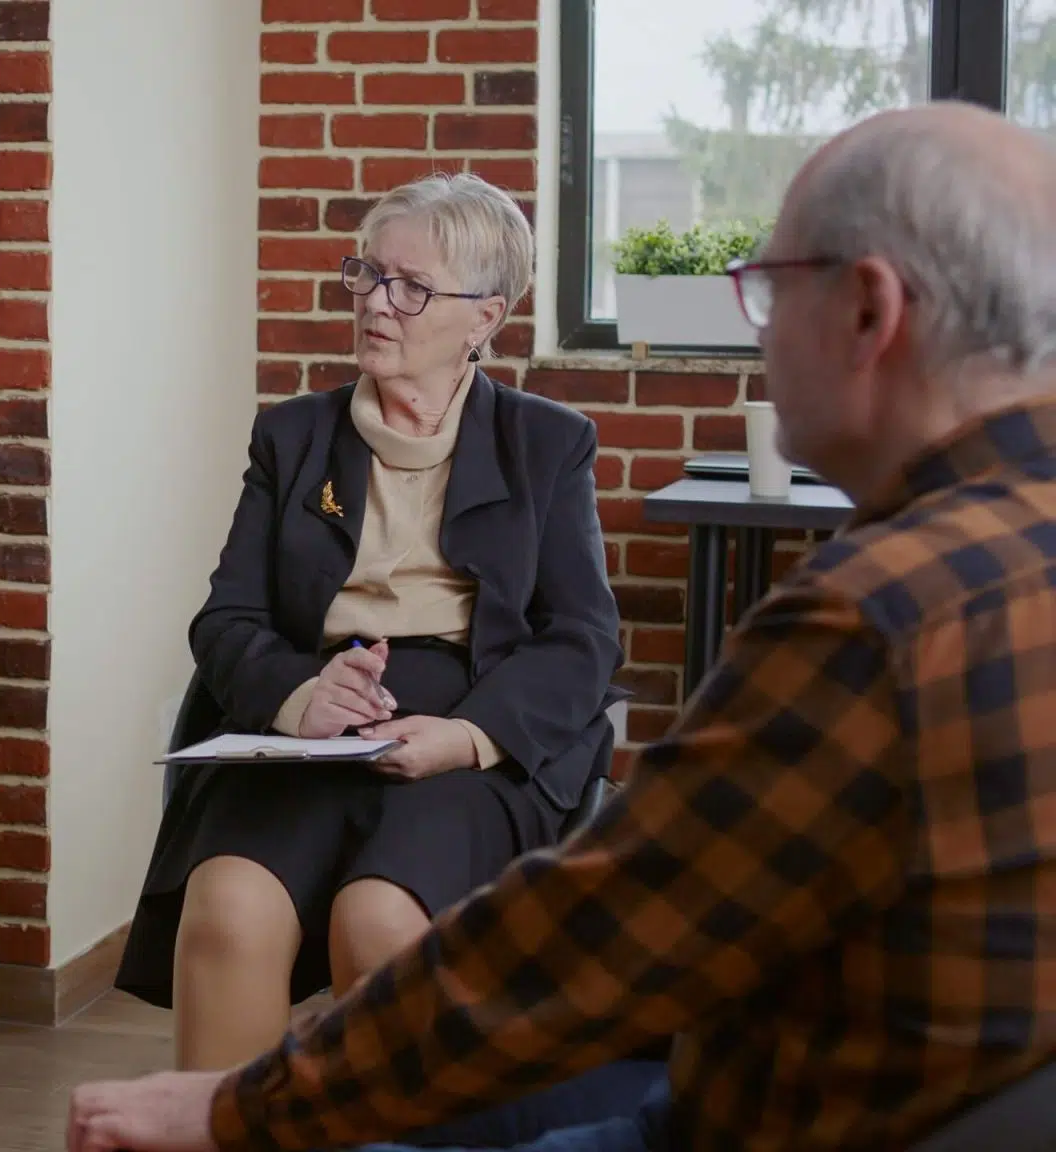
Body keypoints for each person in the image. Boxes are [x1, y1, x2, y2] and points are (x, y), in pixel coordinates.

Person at [67, 101, 1056, 1152]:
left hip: (736, 1116)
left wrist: (233, 1115)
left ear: (867, 312)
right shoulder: (981, 570)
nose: (752, 334)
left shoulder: (867, 622)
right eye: (368, 275)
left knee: (387, 938)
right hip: (822, 1099)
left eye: (765, 291)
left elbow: (601, 935)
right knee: (240, 908)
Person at [114, 172, 629, 1085]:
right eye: (366, 275)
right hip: (312, 728)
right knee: (229, 905)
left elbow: (583, 638)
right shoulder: (293, 436)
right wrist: (305, 697)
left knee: (380, 917)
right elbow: (226, 619)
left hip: (469, 729)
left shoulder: (549, 443)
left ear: (485, 317)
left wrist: (468, 737)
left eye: (412, 287)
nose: (376, 304)